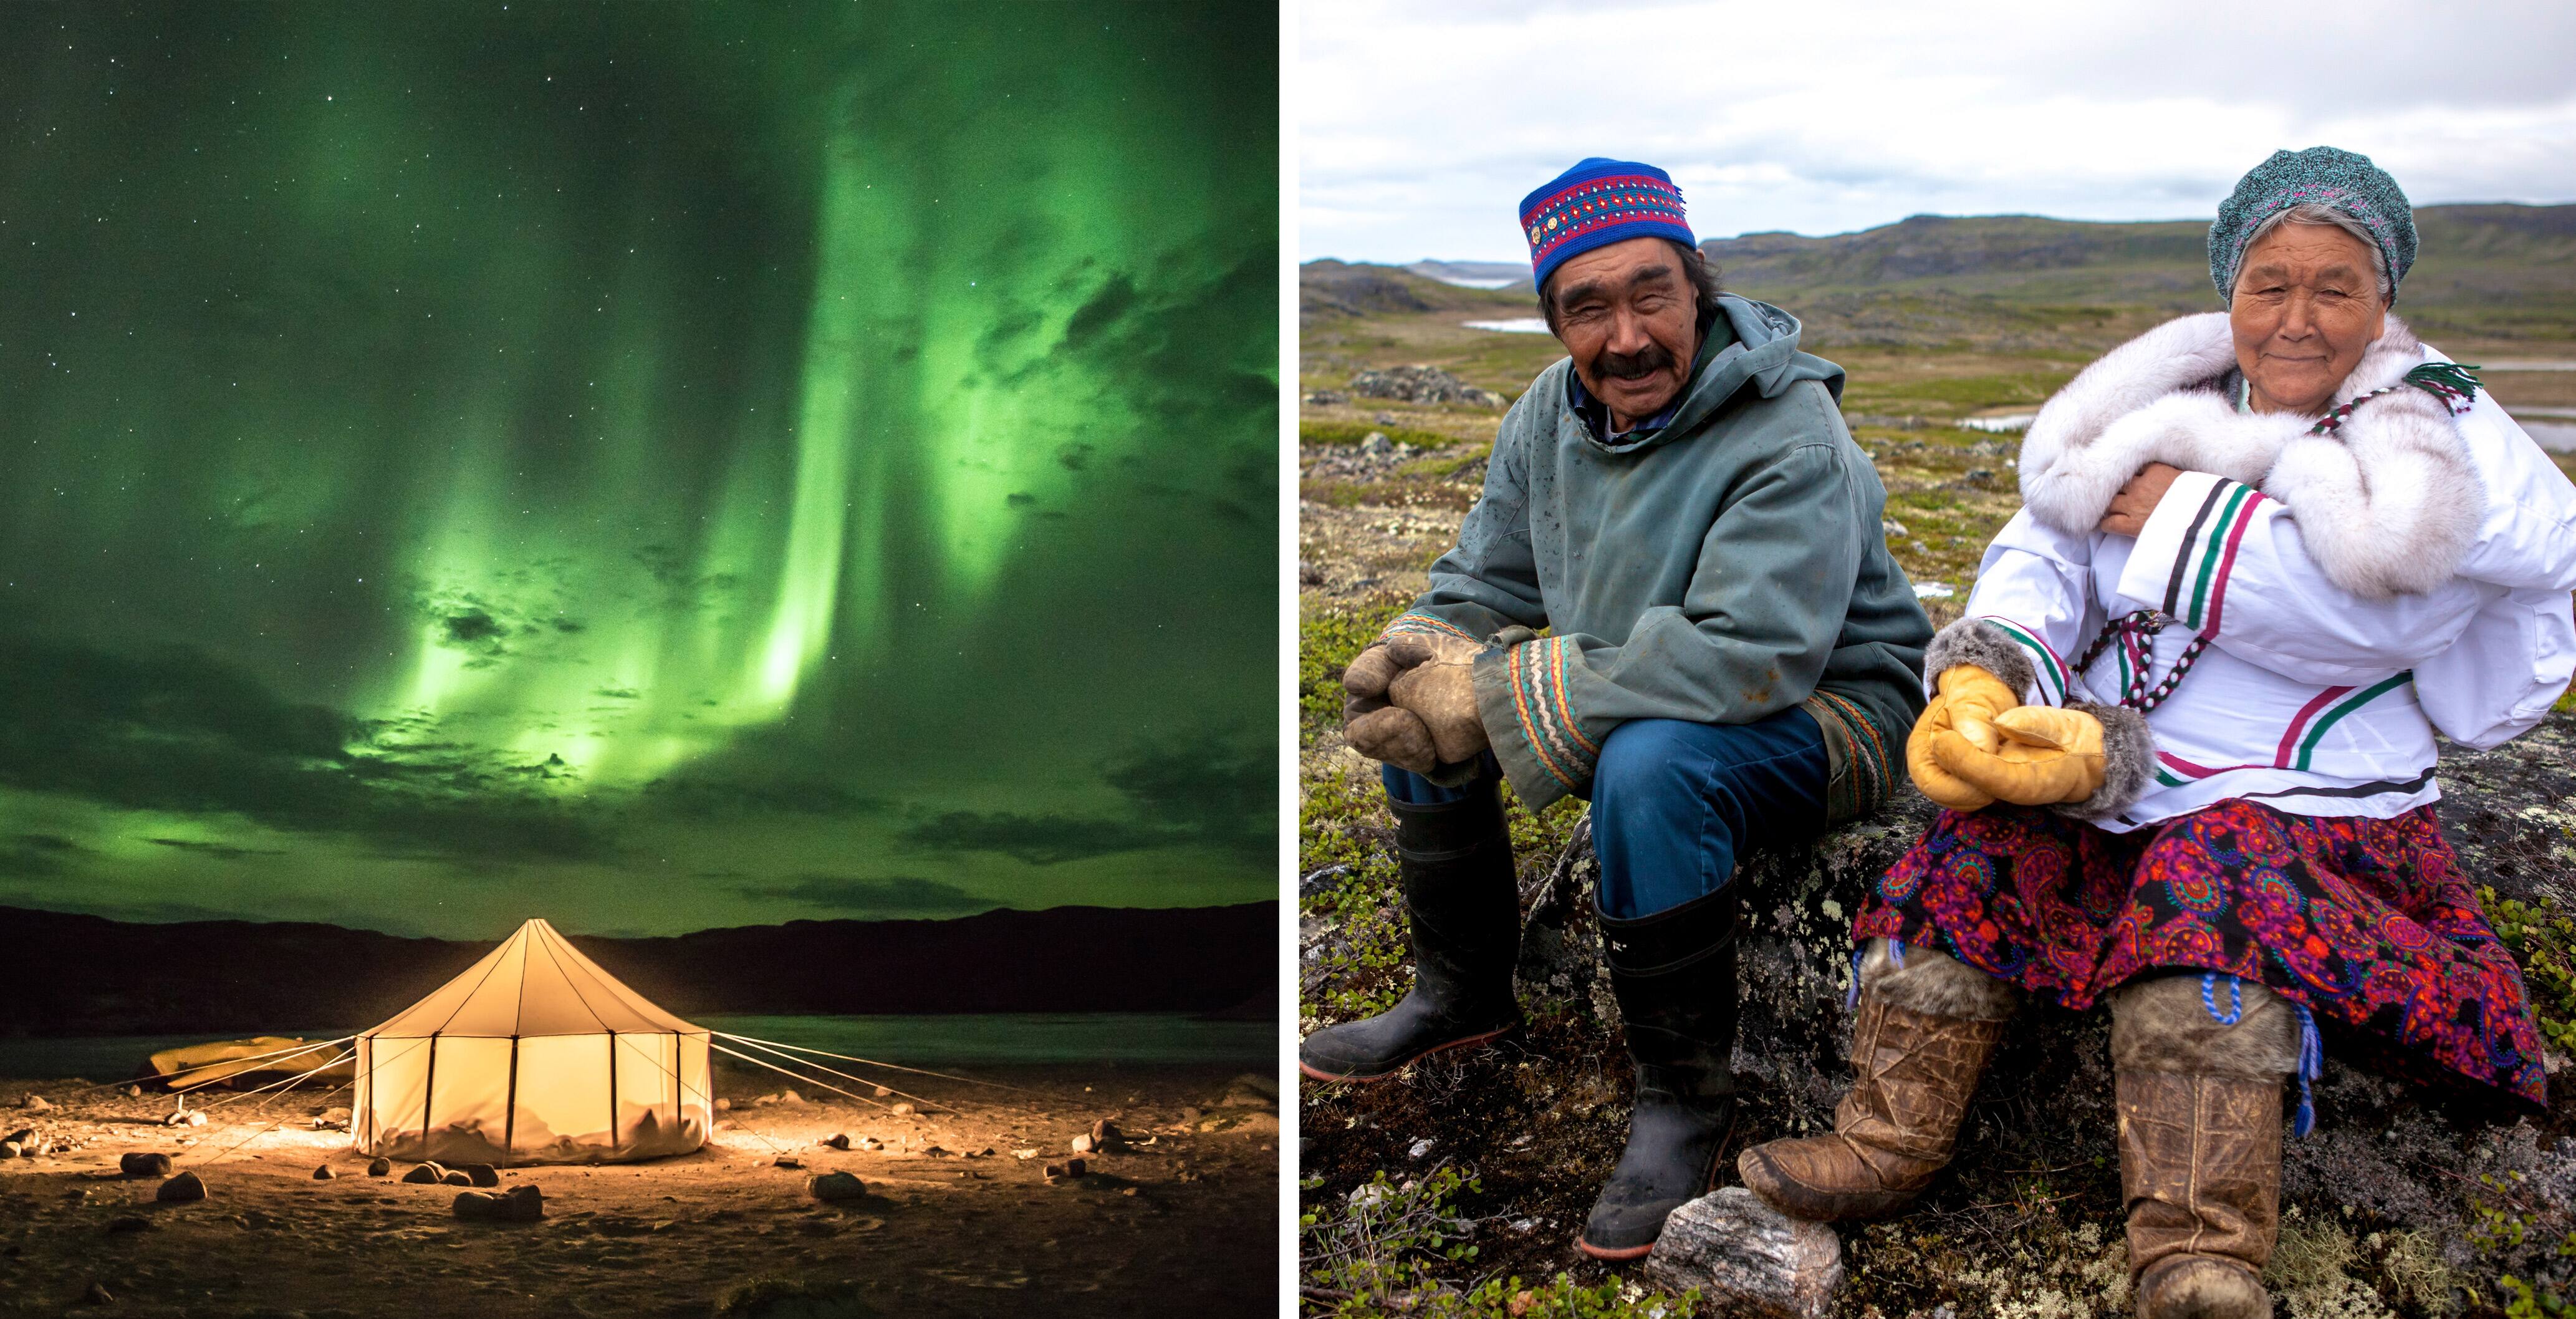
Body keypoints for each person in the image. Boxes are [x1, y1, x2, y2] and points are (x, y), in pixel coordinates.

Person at [1736, 147, 2576, 1318]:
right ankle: (1886, 1143)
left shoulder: (2428, 444)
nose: (2296, 317)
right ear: (2227, 290)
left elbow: (2368, 621)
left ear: (2387, 301)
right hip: (2117, 760)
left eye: (2336, 286)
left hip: (2307, 788)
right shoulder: (2161, 408)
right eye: (2268, 283)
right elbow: (2050, 551)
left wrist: (2174, 512)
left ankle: (2198, 1254)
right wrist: (1994, 674)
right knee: (1972, 852)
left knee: (2207, 897)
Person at [1300, 157, 1933, 1259]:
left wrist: (1499, 690)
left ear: (1699, 291)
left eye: (1652, 295)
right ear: (1555, 322)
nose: (1627, 337)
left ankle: (1683, 1099)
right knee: (1424, 699)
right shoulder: (1550, 411)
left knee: (1650, 764)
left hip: (1835, 708)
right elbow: (1487, 581)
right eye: (1587, 307)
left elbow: (1756, 652)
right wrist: (1414, 650)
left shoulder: (1790, 430)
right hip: (1661, 679)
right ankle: (1460, 994)